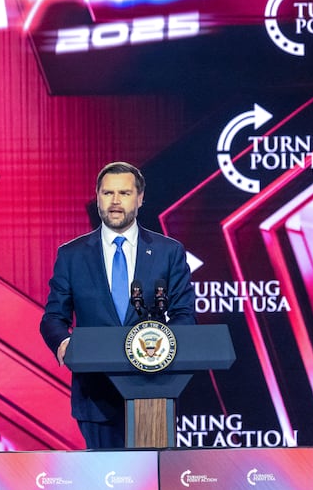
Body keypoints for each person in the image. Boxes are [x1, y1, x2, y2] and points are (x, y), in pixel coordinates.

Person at [39, 161, 196, 449]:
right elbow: (53, 318)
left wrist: (160, 349)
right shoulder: (72, 255)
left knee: (150, 479)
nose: (114, 201)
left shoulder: (168, 252)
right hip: (95, 395)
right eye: (107, 193)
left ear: (140, 198)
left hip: (154, 391)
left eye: (123, 193)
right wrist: (63, 343)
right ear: (97, 197)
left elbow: (184, 315)